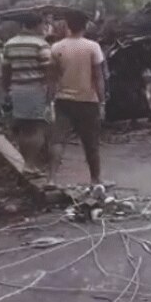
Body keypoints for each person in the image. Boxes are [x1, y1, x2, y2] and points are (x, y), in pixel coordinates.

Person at [49, 10, 106, 185]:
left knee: (58, 140)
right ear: (85, 26)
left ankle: (51, 179)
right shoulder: (92, 47)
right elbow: (98, 76)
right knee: (91, 143)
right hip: (88, 100)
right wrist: (102, 101)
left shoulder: (56, 47)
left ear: (68, 25)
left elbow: (53, 76)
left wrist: (50, 99)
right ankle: (95, 180)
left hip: (63, 100)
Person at [2, 13, 52, 174]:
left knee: (24, 129)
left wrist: (7, 89)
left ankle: (26, 163)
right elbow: (48, 71)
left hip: (17, 89)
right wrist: (51, 92)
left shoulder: (9, 44)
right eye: (43, 24)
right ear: (37, 24)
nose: (44, 27)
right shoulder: (40, 44)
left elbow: (6, 70)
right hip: (36, 89)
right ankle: (30, 164)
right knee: (38, 128)